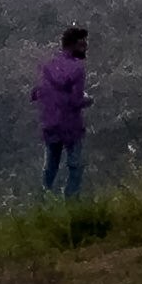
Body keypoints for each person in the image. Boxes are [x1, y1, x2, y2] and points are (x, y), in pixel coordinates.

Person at [34, 26, 90, 196]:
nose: (85, 47)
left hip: (50, 123)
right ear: (73, 46)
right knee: (75, 165)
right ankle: (71, 200)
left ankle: (45, 198)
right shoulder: (77, 69)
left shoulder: (49, 65)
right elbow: (75, 100)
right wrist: (88, 100)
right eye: (82, 45)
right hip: (71, 125)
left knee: (50, 165)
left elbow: (38, 92)